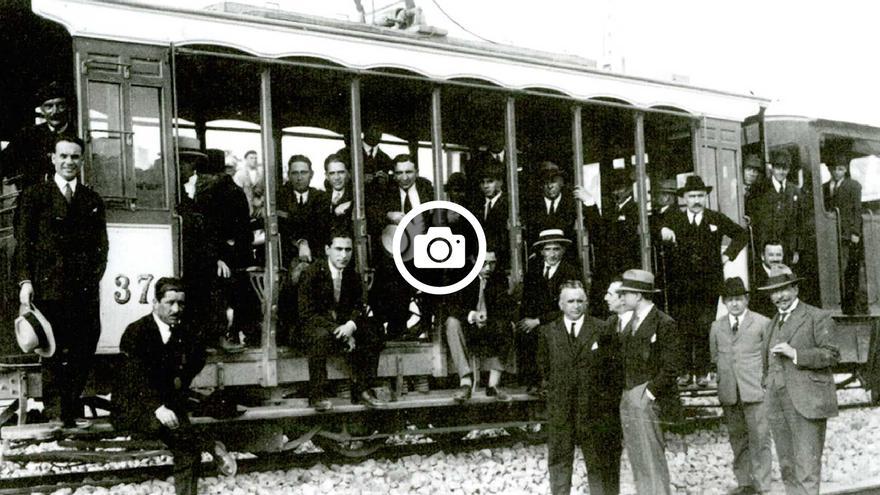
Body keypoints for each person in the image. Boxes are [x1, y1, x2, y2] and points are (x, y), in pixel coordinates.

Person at [14, 135, 108, 426]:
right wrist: (26, 281)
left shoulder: (91, 200)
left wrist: (91, 280)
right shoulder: (35, 196)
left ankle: (69, 406)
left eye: (75, 157)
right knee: (52, 351)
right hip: (48, 288)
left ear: (81, 160)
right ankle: (56, 413)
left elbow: (101, 247)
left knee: (84, 346)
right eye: (63, 156)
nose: (69, 162)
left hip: (82, 291)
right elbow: (24, 243)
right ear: (53, 159)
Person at [112, 278, 236, 495]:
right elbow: (132, 378)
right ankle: (210, 443)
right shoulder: (136, 332)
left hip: (168, 404)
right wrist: (157, 407)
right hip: (135, 405)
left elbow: (198, 358)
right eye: (170, 303)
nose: (176, 309)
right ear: (155, 303)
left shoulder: (185, 332)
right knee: (168, 429)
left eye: (181, 304)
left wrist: (181, 379)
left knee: (188, 451)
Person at [660, 175, 748, 387]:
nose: (696, 200)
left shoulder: (715, 218)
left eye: (700, 195)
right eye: (692, 196)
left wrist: (727, 255)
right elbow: (654, 230)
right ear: (685, 198)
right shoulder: (674, 219)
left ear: (706, 197)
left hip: (708, 284)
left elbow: (741, 234)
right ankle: (682, 372)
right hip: (680, 285)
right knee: (681, 326)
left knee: (704, 326)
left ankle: (701, 372)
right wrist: (662, 230)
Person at [758, 264, 839, 495]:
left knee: (806, 468)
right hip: (777, 403)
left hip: (806, 403)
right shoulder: (772, 323)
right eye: (774, 292)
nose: (779, 296)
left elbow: (832, 354)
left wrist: (796, 354)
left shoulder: (816, 317)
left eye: (784, 289)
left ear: (795, 289)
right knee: (787, 467)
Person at [538, 280, 622, 495]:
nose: (575, 306)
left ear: (586, 303)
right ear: (560, 304)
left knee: (598, 464)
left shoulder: (602, 329)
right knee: (559, 462)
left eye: (580, 301)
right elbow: (545, 368)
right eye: (570, 301)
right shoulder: (548, 332)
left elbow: (612, 372)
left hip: (593, 411)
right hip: (561, 410)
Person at [297, 231, 386, 411]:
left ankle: (363, 390)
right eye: (338, 249)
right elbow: (307, 313)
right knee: (319, 336)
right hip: (314, 327)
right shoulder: (311, 273)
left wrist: (351, 326)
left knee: (373, 331)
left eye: (348, 250)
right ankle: (318, 395)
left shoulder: (352, 275)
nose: (343, 255)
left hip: (341, 328)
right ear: (327, 250)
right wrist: (340, 330)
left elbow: (359, 306)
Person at [616, 269, 681, 495]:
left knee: (651, 455)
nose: (622, 298)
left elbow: (671, 367)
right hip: (629, 394)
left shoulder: (664, 323)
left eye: (626, 293)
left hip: (646, 398)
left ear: (639, 295)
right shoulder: (630, 322)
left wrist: (648, 394)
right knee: (637, 456)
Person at [709, 277, 772, 495]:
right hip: (729, 392)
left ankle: (763, 484)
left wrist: (765, 384)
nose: (734, 304)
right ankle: (745, 483)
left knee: (760, 437)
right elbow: (715, 357)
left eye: (738, 299)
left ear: (746, 299)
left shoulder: (762, 323)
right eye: (729, 300)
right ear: (724, 302)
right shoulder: (716, 327)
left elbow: (769, 358)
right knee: (738, 438)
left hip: (754, 390)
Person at [369, 154, 434, 339]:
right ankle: (396, 329)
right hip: (394, 252)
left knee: (435, 273)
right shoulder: (386, 190)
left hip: (423, 249)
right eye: (399, 173)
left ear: (417, 172)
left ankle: (426, 325)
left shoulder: (426, 188)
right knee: (392, 277)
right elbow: (373, 214)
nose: (404, 178)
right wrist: (388, 215)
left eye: (408, 172)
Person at [193, 149, 253, 349]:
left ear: (212, 174)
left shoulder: (217, 193)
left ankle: (224, 334)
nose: (199, 178)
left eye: (202, 174)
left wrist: (218, 256)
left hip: (228, 257)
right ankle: (233, 331)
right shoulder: (229, 190)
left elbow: (219, 231)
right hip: (233, 254)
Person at [516, 229, 580, 392]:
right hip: (535, 319)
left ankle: (546, 381)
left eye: (556, 249)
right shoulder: (534, 270)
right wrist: (524, 320)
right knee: (523, 332)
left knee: (544, 333)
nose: (552, 254)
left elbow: (569, 307)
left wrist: (537, 321)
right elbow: (526, 300)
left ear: (563, 251)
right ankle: (532, 382)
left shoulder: (570, 272)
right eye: (548, 249)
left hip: (559, 319)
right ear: (542, 251)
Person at [446, 251, 513, 402]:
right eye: (484, 263)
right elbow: (450, 306)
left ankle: (493, 384)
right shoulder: (461, 277)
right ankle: (465, 382)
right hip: (468, 328)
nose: (488, 268)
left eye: (492, 263)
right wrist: (472, 316)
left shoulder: (499, 279)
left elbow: (505, 307)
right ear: (473, 260)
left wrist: (489, 318)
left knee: (507, 325)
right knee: (451, 323)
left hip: (490, 328)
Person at [1, 81, 74, 189]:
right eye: (49, 106)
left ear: (68, 107)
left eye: (60, 105)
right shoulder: (27, 136)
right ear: (42, 110)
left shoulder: (79, 133)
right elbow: (4, 163)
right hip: (33, 201)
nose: (55, 111)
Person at [823, 155, 866, 315]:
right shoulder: (825, 187)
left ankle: (850, 305)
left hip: (847, 234)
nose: (837, 172)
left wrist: (855, 232)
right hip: (831, 233)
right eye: (834, 169)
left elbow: (857, 210)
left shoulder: (854, 186)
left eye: (840, 169)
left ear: (845, 170)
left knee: (847, 268)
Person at [749, 149, 804, 266]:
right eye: (778, 168)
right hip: (766, 249)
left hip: (787, 248)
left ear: (789, 170)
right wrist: (760, 249)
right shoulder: (759, 189)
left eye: (785, 168)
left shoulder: (794, 191)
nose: (781, 172)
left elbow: (798, 222)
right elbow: (756, 221)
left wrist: (796, 249)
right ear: (772, 168)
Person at [278, 155, 330, 264]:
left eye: (303, 172)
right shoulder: (280, 198)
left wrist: (288, 216)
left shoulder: (321, 197)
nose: (299, 178)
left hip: (316, 257)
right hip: (285, 258)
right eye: (295, 173)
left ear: (311, 174)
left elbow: (319, 227)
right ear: (288, 175)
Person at [524, 167, 577, 247]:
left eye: (553, 182)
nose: (549, 186)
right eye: (546, 183)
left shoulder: (572, 204)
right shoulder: (532, 206)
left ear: (561, 183)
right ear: (541, 185)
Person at [474, 160, 509, 265]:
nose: (485, 186)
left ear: (500, 182)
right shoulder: (477, 206)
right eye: (482, 182)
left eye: (490, 181)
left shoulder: (509, 205)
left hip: (502, 261)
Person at [751, 240, 785, 318]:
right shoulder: (754, 276)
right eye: (771, 255)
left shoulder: (788, 273)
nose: (775, 259)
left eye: (778, 255)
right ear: (763, 257)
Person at [324, 154, 355, 235]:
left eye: (341, 172)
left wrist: (352, 203)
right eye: (332, 173)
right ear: (326, 176)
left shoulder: (356, 196)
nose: (337, 177)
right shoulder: (321, 198)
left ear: (348, 174)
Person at [232, 150, 264, 215]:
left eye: (255, 158)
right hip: (245, 209)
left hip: (260, 210)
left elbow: (266, 190)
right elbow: (236, 193)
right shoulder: (240, 174)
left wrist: (261, 200)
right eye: (251, 158)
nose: (254, 160)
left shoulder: (262, 174)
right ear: (246, 159)